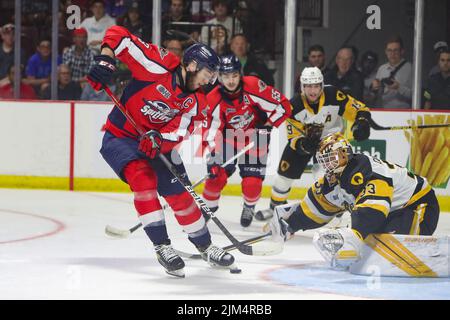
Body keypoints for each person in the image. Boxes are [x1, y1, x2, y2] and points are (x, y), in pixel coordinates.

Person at [87, 25, 236, 277]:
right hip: (121, 137)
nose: (210, 80)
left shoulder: (197, 101)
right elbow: (117, 34)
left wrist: (159, 139)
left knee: (181, 197)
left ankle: (205, 245)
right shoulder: (157, 65)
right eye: (208, 73)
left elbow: (180, 131)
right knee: (143, 181)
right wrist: (106, 59)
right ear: (191, 66)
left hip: (159, 147)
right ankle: (163, 246)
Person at [269, 132, 440, 269]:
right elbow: (316, 209)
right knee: (372, 243)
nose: (328, 166)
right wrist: (290, 223)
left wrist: (354, 235)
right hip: (391, 212)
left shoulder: (364, 170)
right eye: (325, 162)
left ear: (345, 154)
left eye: (332, 159)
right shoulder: (332, 181)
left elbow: (373, 211)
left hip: (419, 206)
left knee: (381, 244)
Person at [256, 67, 371, 221]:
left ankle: (333, 210)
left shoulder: (333, 95)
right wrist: (304, 145)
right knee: (284, 177)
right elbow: (293, 138)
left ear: (322, 85)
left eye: (316, 85)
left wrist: (362, 121)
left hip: (330, 143)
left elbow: (358, 108)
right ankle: (274, 208)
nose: (313, 90)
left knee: (326, 177)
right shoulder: (294, 106)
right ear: (302, 87)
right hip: (305, 141)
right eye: (308, 86)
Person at [203, 54, 292, 227]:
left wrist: (267, 125)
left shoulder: (253, 85)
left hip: (255, 137)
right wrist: (213, 155)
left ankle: (249, 206)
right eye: (226, 76)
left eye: (234, 76)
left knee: (252, 185)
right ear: (219, 77)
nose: (230, 81)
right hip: (227, 140)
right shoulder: (213, 98)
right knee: (215, 178)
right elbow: (211, 131)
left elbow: (283, 105)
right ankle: (207, 210)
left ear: (240, 74)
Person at [371, 35, 412, 109]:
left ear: (402, 51)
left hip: (405, 113)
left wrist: (399, 87)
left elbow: (417, 96)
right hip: (384, 112)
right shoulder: (382, 69)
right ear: (386, 52)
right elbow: (376, 94)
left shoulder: (411, 68)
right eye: (389, 50)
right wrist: (375, 87)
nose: (392, 54)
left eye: (395, 50)